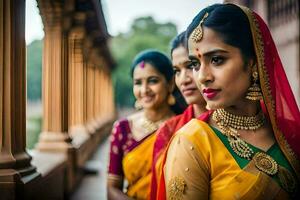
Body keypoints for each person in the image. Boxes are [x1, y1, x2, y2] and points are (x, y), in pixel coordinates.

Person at [158, 3, 300, 199]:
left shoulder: (287, 133)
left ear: (252, 61)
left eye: (216, 59)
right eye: (195, 64)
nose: (202, 77)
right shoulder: (192, 141)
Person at [107, 50, 184, 200]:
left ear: (170, 83)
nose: (144, 90)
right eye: (138, 83)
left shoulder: (184, 126)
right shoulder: (122, 128)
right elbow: (111, 188)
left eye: (153, 81)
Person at [150, 32, 207, 200]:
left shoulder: (249, 124)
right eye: (177, 70)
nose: (183, 79)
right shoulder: (168, 131)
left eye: (191, 65)